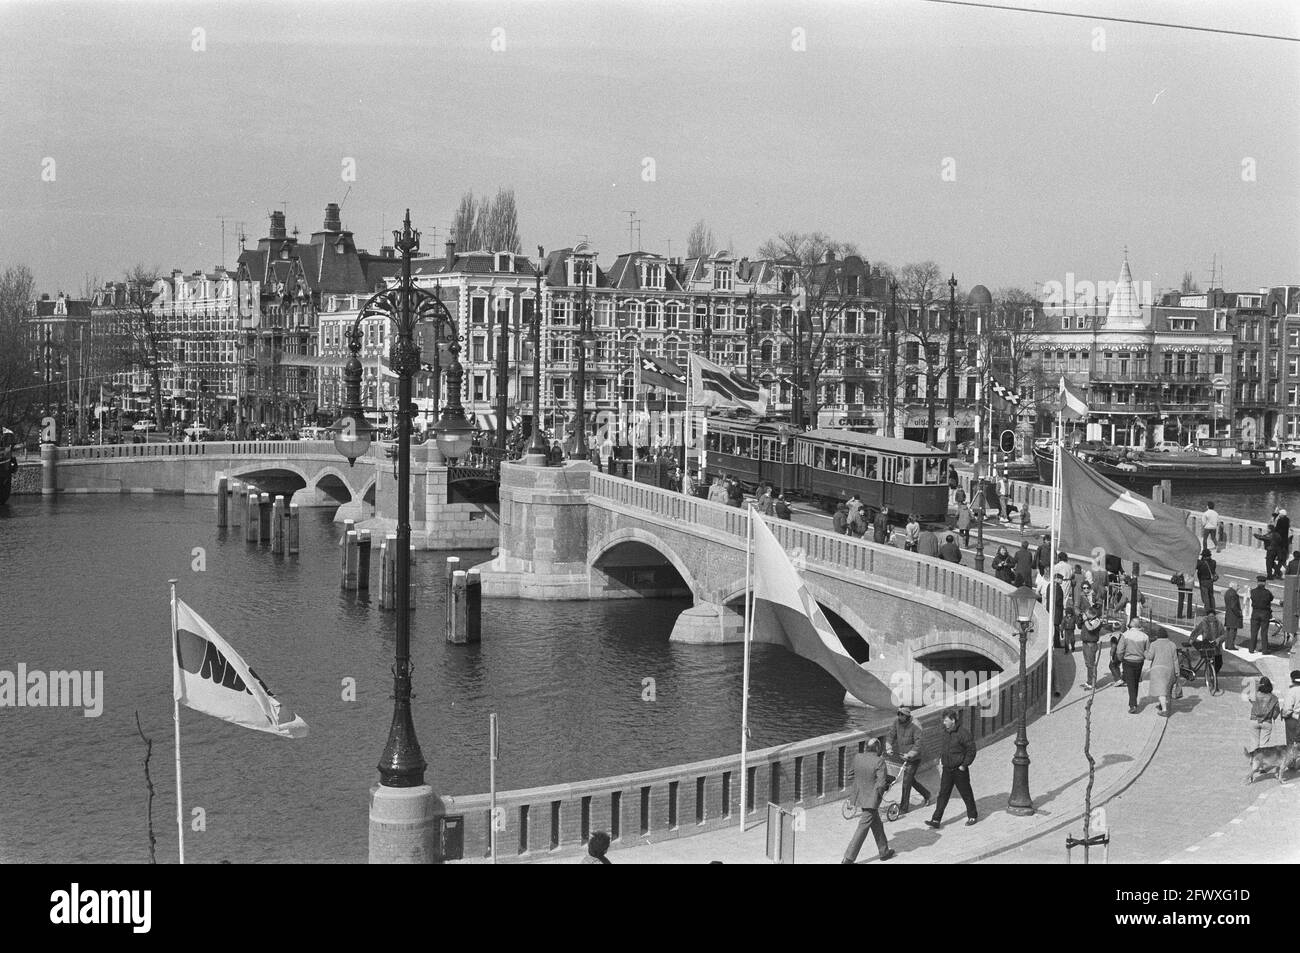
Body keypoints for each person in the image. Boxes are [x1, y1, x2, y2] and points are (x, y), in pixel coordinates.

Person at [841, 737, 896, 864]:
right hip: (872, 800)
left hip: (860, 797)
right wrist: (879, 795)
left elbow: (850, 775)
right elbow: (881, 783)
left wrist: (862, 782)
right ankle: (848, 858)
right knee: (862, 828)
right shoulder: (879, 761)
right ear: (877, 748)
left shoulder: (858, 757)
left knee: (877, 824)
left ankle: (884, 851)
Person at [924, 710, 978, 829]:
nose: (944, 723)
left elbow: (971, 750)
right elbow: (945, 748)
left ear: (953, 720)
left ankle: (972, 815)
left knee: (966, 793)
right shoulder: (945, 732)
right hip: (947, 769)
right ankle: (936, 819)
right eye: (944, 720)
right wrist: (940, 759)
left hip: (960, 770)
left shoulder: (963, 733)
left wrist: (964, 765)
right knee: (943, 794)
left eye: (946, 720)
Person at [885, 706, 931, 814]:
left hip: (914, 758)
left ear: (907, 716)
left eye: (902, 715)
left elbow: (918, 744)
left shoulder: (916, 725)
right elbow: (891, 735)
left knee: (906, 781)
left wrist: (910, 754)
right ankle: (926, 794)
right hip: (903, 756)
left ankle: (903, 808)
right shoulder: (896, 722)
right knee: (910, 780)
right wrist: (888, 747)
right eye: (898, 714)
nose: (900, 717)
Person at [1117, 621, 1150, 713]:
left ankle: (1133, 704)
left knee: (1130, 682)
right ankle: (1134, 701)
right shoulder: (1145, 636)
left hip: (1128, 661)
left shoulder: (1125, 635)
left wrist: (1121, 659)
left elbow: (1119, 650)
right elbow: (1147, 651)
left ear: (1130, 626)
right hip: (1139, 661)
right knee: (1135, 681)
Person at [1144, 628, 1179, 716]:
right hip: (1170, 669)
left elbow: (1149, 657)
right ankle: (1165, 706)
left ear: (1157, 636)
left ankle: (1164, 710)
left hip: (1158, 670)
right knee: (1168, 690)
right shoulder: (1172, 644)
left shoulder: (1154, 644)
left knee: (1161, 691)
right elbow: (1175, 660)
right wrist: (1177, 671)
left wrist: (1144, 652)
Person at [1188, 609, 1226, 675]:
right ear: (1207, 616)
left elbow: (1224, 635)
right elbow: (1196, 632)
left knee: (1219, 663)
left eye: (1213, 616)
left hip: (1216, 647)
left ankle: (1213, 675)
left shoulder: (1219, 623)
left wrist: (1219, 639)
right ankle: (1209, 676)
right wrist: (1191, 640)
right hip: (1207, 646)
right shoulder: (1204, 623)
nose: (1211, 618)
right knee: (1208, 662)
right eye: (1210, 616)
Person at [1248, 677, 1281, 749]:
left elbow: (1250, 699)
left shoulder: (1255, 695)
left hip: (1254, 720)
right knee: (1264, 745)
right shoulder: (1274, 698)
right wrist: (1274, 716)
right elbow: (1276, 711)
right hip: (1267, 722)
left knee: (1254, 743)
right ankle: (1262, 759)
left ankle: (1253, 759)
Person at [1080, 602, 1104, 690]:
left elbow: (1090, 628)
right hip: (1085, 643)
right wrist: (1081, 620)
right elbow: (1080, 626)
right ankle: (1089, 681)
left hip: (1091, 644)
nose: (1085, 615)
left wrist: (1085, 620)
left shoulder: (1097, 621)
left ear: (1092, 614)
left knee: (1091, 664)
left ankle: (1092, 683)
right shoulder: (1088, 620)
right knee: (1087, 664)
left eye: (1087, 614)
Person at [1248, 575, 1274, 653]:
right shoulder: (1267, 592)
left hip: (1255, 612)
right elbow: (1271, 598)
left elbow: (1252, 598)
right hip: (1265, 613)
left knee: (1253, 632)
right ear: (1264, 583)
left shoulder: (1252, 591)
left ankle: (1251, 649)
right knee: (1264, 632)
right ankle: (1264, 649)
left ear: (1257, 582)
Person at [1195, 548, 1217, 614]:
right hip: (1210, 581)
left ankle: (1208, 610)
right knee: (1211, 596)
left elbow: (1196, 564)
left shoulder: (1201, 563)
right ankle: (1213, 609)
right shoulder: (1213, 562)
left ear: (1203, 556)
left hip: (1203, 581)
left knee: (1205, 596)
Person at [1223, 580, 1243, 651]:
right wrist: (1239, 613)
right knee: (1233, 631)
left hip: (1228, 614)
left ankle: (1227, 645)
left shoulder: (1227, 592)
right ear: (1233, 586)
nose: (1238, 587)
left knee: (1228, 630)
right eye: (1237, 585)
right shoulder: (1233, 594)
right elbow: (1233, 606)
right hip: (1233, 615)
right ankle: (1231, 645)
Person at [1282, 671, 1300, 745]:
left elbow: (1287, 710)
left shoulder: (1292, 691)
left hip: (1294, 719)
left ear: (1292, 679)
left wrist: (1283, 715)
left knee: (1291, 745)